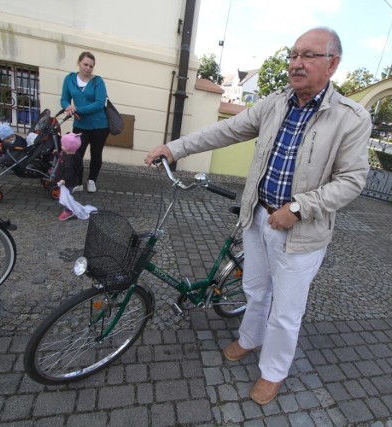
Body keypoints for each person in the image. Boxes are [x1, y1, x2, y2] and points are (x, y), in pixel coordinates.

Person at [145, 27, 371, 405]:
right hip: (258, 218)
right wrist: (174, 147)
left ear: (332, 64)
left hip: (301, 233)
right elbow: (227, 130)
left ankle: (274, 371)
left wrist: (298, 209)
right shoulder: (276, 103)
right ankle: (249, 339)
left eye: (309, 55)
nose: (296, 63)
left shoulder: (350, 118)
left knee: (286, 311)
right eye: (294, 54)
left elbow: (352, 181)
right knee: (254, 290)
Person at [60, 51, 110, 193]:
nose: (88, 68)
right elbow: (64, 99)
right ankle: (78, 181)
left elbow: (99, 104)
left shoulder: (98, 81)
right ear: (79, 63)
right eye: (85, 64)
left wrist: (78, 109)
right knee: (76, 154)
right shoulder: (69, 79)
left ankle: (92, 180)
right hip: (80, 125)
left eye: (91, 66)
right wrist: (67, 107)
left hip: (100, 125)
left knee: (96, 153)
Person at [55, 132, 83, 221]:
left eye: (62, 144)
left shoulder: (69, 161)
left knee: (66, 197)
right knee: (66, 195)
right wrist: (56, 154)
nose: (61, 145)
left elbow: (69, 172)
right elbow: (61, 157)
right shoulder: (69, 153)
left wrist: (64, 180)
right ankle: (69, 209)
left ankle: (68, 211)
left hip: (69, 182)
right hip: (68, 180)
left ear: (67, 147)